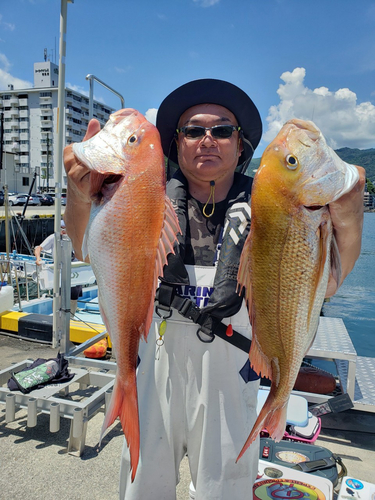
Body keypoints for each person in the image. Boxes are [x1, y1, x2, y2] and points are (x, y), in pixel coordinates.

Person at [63, 79, 365, 500]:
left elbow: (329, 280)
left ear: (241, 146)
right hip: (155, 363)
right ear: (176, 143)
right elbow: (85, 246)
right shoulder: (144, 194)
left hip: (231, 372)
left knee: (223, 491)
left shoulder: (270, 204)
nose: (208, 139)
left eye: (222, 130)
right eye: (193, 130)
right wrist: (78, 194)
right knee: (142, 488)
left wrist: (350, 215)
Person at [34, 220, 83, 318]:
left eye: (65, 228)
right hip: (59, 269)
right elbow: (38, 248)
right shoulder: (53, 238)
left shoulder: (76, 237)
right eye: (61, 228)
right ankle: (56, 317)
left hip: (75, 269)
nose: (63, 230)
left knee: (73, 297)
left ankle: (71, 318)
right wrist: (38, 258)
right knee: (58, 295)